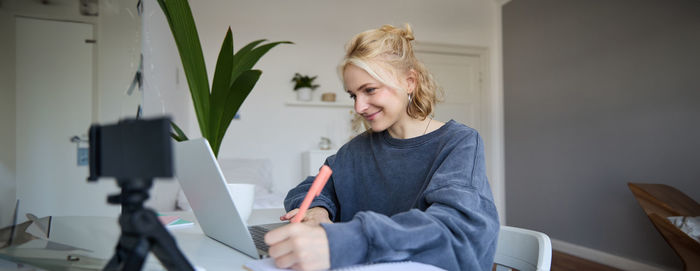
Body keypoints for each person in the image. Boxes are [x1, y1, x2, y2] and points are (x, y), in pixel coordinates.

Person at [264, 24, 499, 271]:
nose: (359, 107)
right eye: (353, 95)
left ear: (410, 82)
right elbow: (310, 188)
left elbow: (454, 229)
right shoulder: (355, 150)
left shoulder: (458, 143)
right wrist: (317, 210)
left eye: (369, 90)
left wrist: (346, 242)